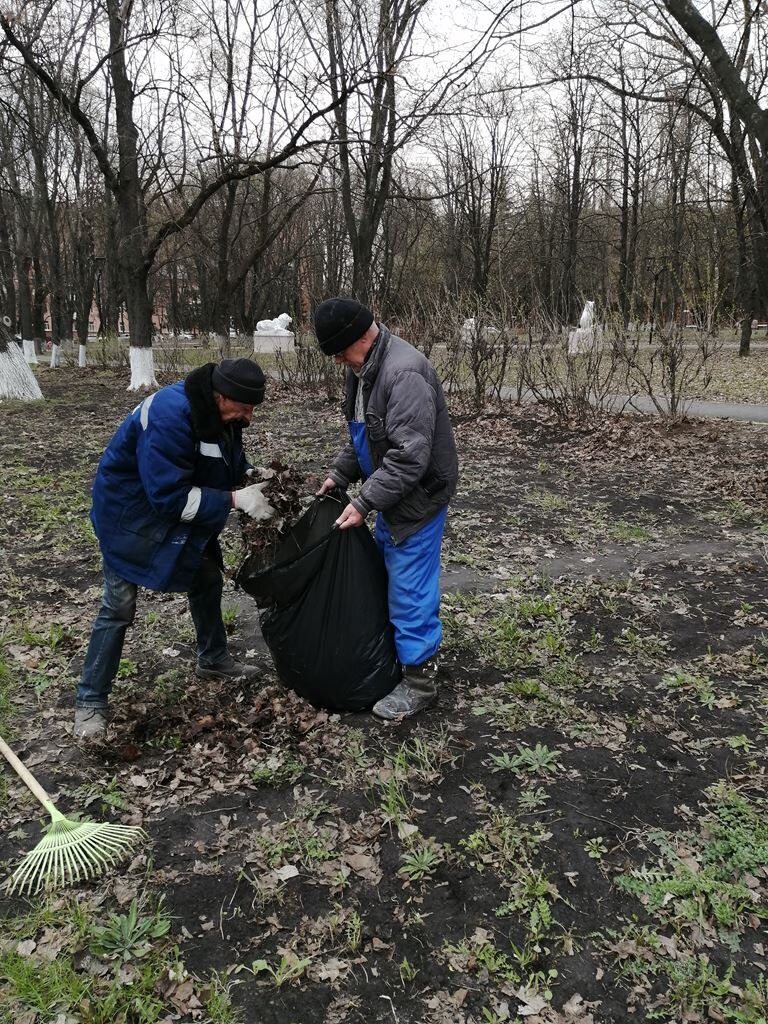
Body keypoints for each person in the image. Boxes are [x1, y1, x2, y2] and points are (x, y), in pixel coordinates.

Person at [74, 358, 275, 739]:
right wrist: (235, 500)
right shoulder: (169, 416)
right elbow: (168, 498)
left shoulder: (219, 414)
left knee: (206, 578)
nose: (248, 418)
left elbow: (222, 460)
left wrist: (249, 475)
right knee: (118, 607)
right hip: (130, 517)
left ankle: (213, 660)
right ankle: (89, 701)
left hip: (173, 509)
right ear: (219, 396)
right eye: (244, 409)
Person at [314, 297, 458, 720]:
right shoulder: (364, 371)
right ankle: (401, 657)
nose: (339, 360)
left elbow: (409, 458)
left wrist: (363, 501)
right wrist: (340, 476)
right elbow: (363, 437)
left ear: (363, 336)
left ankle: (419, 680)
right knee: (389, 572)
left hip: (418, 497)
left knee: (409, 586)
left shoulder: (404, 373)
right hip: (392, 492)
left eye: (341, 350)